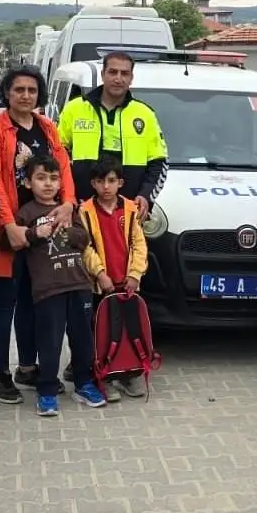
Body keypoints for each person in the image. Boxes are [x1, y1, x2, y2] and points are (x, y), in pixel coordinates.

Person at [0, 67, 76, 403]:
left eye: (32, 90)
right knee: (5, 301)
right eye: (18, 89)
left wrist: (68, 204)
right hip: (10, 229)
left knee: (35, 301)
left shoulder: (47, 127)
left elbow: (63, 168)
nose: (25, 95)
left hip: (45, 230)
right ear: (6, 92)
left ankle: (28, 367)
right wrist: (8, 225)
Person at [14, 154, 108, 416]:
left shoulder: (69, 209)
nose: (48, 184)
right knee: (49, 342)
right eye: (41, 178)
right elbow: (11, 242)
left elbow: (84, 238)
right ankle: (46, 390)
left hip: (78, 284)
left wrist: (66, 228)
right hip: (47, 289)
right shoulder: (26, 213)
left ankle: (84, 384)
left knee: (82, 339)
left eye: (54, 178)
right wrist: (36, 233)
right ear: (28, 182)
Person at [57, 50, 168, 213]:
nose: (118, 78)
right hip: (82, 210)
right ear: (103, 74)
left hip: (129, 212)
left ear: (131, 78)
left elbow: (159, 162)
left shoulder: (145, 114)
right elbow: (58, 155)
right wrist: (68, 197)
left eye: (124, 73)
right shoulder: (75, 109)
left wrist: (146, 196)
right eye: (112, 72)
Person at [78, 155, 149, 402]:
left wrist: (135, 274)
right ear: (93, 184)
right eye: (100, 181)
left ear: (121, 182)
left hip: (127, 284)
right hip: (101, 286)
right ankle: (104, 377)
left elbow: (139, 244)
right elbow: (85, 248)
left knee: (130, 329)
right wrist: (99, 273)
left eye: (111, 181)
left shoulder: (130, 209)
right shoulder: (85, 211)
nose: (105, 187)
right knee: (102, 332)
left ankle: (130, 374)